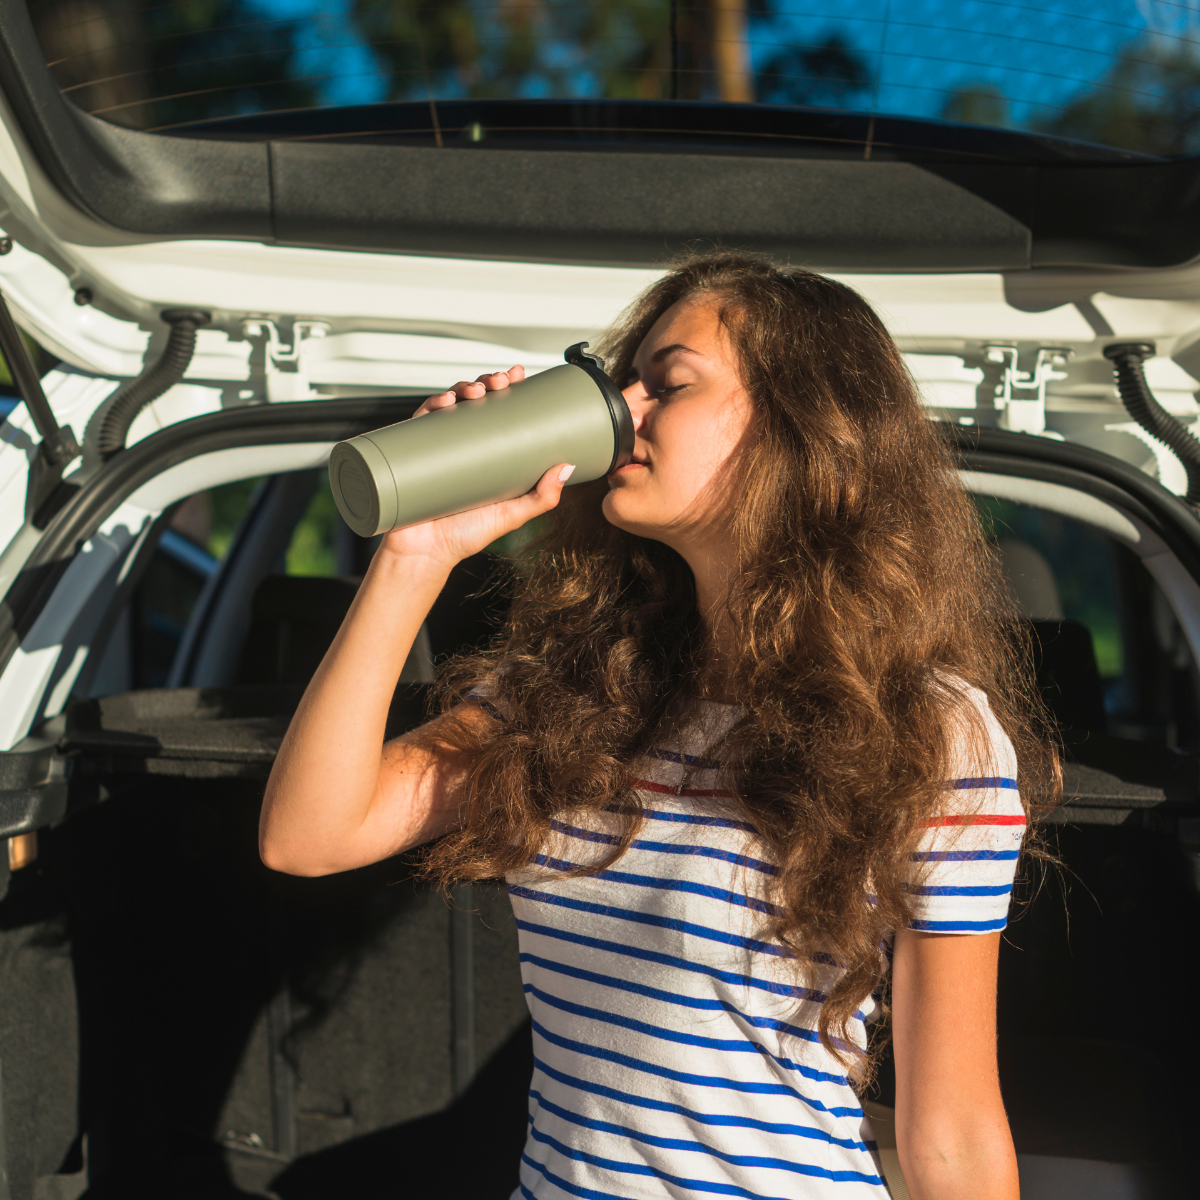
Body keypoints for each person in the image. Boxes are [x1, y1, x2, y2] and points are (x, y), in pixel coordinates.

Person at [260, 254, 1057, 1200]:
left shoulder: (932, 733)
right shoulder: (566, 694)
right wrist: (414, 554)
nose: (622, 410)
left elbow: (952, 1132)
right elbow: (306, 836)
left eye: (667, 384)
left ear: (804, 430)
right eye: (623, 382)